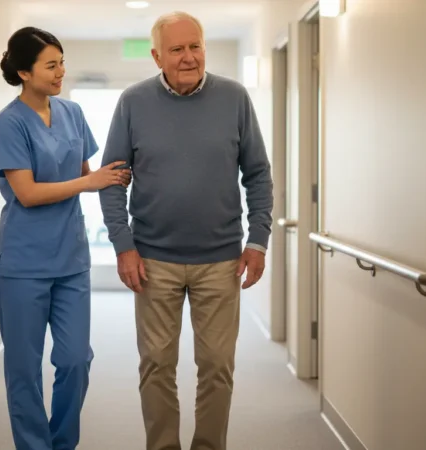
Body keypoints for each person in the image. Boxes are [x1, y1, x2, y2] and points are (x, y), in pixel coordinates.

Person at [98, 11, 274, 450]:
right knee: (156, 365)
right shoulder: (133, 102)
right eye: (177, 49)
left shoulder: (234, 98)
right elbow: (113, 178)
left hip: (220, 260)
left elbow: (258, 175)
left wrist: (258, 240)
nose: (188, 57)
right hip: (152, 259)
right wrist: (123, 245)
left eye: (195, 46)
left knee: (217, 366)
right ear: (157, 56)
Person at [0, 27, 131, 450]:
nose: (60, 72)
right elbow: (28, 193)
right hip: (22, 265)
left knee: (75, 361)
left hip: (70, 260)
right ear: (23, 73)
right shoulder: (8, 124)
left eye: (62, 62)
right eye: (51, 65)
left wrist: (108, 179)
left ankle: (62, 442)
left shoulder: (73, 113)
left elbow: (88, 174)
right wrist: (89, 182)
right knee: (24, 371)